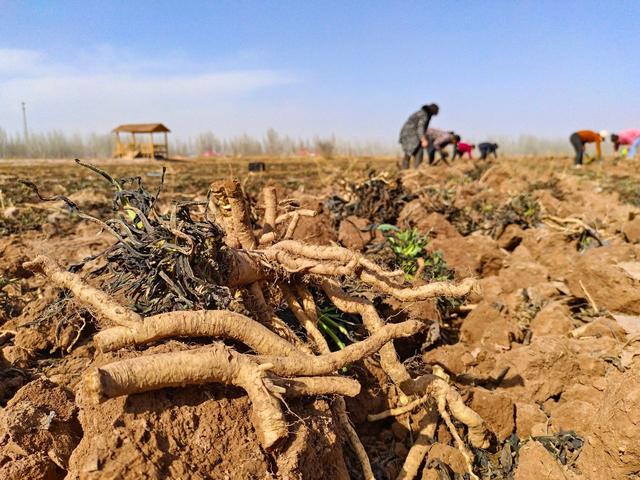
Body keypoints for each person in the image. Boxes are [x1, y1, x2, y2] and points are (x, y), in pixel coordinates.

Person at [399, 103, 439, 169]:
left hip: (413, 135)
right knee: (409, 153)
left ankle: (416, 170)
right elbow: (420, 127)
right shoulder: (423, 114)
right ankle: (406, 171)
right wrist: (423, 139)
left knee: (418, 152)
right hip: (409, 135)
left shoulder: (426, 114)